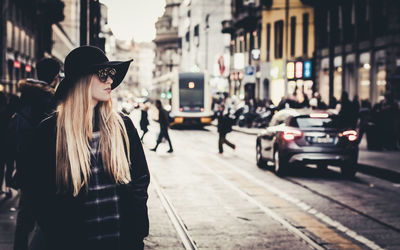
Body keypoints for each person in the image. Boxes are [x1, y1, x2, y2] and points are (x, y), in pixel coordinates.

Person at [24, 46, 150, 250]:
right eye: (103, 74)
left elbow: (140, 180)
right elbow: (37, 191)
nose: (110, 80)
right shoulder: (50, 131)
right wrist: (56, 232)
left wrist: (137, 231)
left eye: (111, 75)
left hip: (122, 242)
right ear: (81, 80)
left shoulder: (122, 126)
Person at [8, 57, 60, 250]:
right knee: (48, 221)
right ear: (55, 77)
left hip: (25, 168)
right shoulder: (50, 101)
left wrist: (14, 168)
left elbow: (14, 134)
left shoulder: (24, 98)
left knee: (24, 221)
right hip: (46, 171)